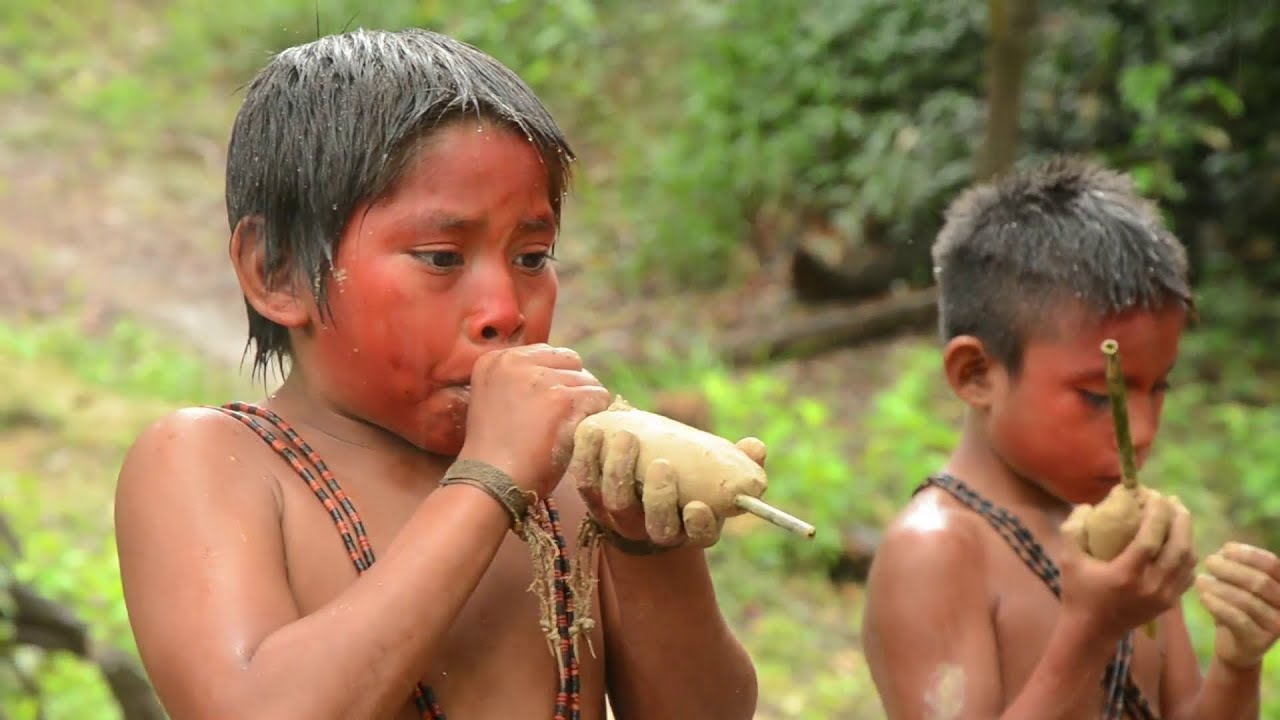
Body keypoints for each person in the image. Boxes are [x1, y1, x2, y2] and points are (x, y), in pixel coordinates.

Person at [114, 28, 759, 720]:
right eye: (441, 258)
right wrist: (487, 480)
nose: (503, 311)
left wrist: (646, 545)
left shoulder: (565, 487)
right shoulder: (212, 464)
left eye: (533, 257)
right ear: (276, 272)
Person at [861, 156, 1280, 719]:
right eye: (1099, 396)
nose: (1145, 431)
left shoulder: (1125, 536)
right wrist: (1091, 631)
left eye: (1158, 388)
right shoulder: (937, 550)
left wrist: (1237, 663)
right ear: (976, 374)